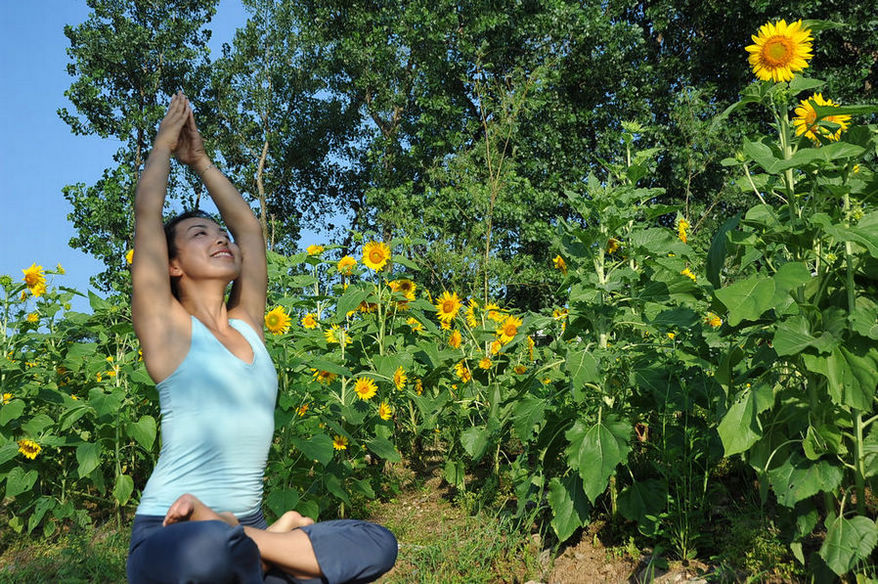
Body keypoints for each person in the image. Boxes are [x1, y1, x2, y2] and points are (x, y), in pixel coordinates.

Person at [127, 92, 397, 584]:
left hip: (240, 527)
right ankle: (266, 547)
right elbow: (148, 217)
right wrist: (164, 148)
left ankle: (254, 541)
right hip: (172, 529)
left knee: (377, 542)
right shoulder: (166, 327)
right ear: (172, 265)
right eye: (198, 235)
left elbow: (249, 230)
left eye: (218, 232)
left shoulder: (247, 321)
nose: (219, 238)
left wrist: (202, 161)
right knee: (205, 552)